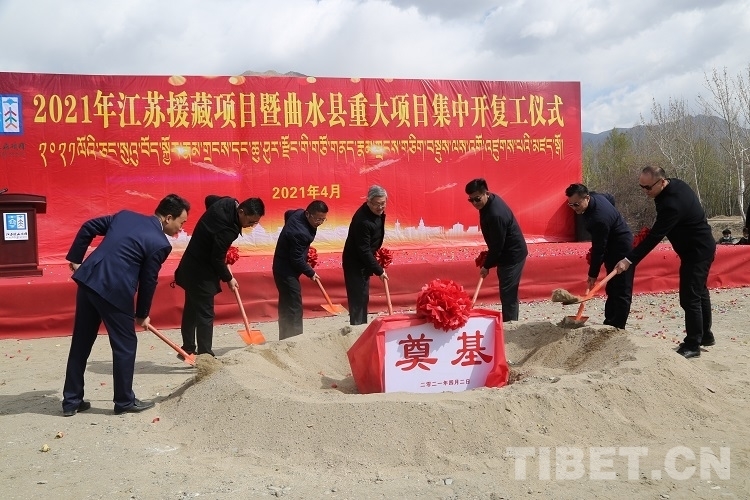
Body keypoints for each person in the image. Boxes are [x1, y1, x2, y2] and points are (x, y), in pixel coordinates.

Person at [62, 194, 191, 416]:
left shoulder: (125, 216)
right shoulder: (160, 244)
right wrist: (142, 314)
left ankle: (71, 401)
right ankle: (123, 401)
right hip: (114, 292)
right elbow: (148, 281)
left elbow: (88, 227)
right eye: (181, 222)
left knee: (81, 342)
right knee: (125, 345)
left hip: (88, 281)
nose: (181, 228)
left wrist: (76, 258)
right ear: (169, 218)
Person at [615, 166, 716, 359]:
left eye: (648, 187)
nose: (645, 192)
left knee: (690, 297)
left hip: (697, 252)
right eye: (641, 187)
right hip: (697, 248)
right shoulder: (674, 184)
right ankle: (705, 335)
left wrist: (629, 260)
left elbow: (655, 237)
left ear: (662, 182)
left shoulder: (672, 204)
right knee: (700, 292)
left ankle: (693, 344)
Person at [175, 195, 265, 357]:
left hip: (189, 265)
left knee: (191, 309)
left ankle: (187, 348)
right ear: (241, 212)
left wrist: (211, 233)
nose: (251, 225)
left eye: (255, 222)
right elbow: (216, 258)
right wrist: (229, 278)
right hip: (201, 272)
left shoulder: (228, 202)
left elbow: (209, 199)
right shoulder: (227, 230)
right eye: (251, 221)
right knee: (205, 314)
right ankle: (205, 355)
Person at [565, 183, 634, 329]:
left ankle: (617, 326)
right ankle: (609, 321)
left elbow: (598, 249)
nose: (574, 208)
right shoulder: (597, 197)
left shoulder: (599, 219)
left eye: (576, 204)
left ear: (587, 198)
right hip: (609, 243)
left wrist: (593, 274)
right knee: (612, 286)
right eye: (570, 205)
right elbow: (610, 198)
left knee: (621, 288)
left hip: (621, 246)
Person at [465, 178, 528, 322]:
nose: (474, 203)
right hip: (503, 251)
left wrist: (486, 265)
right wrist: (489, 259)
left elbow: (498, 245)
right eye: (471, 200)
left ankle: (510, 325)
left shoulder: (495, 214)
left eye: (477, 199)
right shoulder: (489, 201)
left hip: (512, 255)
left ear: (486, 193)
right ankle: (510, 320)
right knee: (507, 289)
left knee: (508, 292)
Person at [272, 200, 328, 339]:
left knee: (287, 303)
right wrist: (311, 272)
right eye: (318, 219)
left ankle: (285, 337)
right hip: (285, 270)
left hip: (284, 264)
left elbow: (287, 213)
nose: (320, 222)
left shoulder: (298, 213)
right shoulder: (299, 233)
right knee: (294, 305)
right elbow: (296, 259)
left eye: (323, 219)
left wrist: (290, 243)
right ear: (308, 214)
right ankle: (295, 338)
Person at [342, 185, 388, 325]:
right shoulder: (363, 221)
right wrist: (379, 270)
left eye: (383, 203)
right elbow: (364, 250)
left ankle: (361, 324)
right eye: (377, 204)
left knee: (363, 296)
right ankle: (357, 327)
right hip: (355, 262)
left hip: (364, 260)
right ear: (368, 202)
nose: (380, 207)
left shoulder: (374, 213)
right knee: (358, 297)